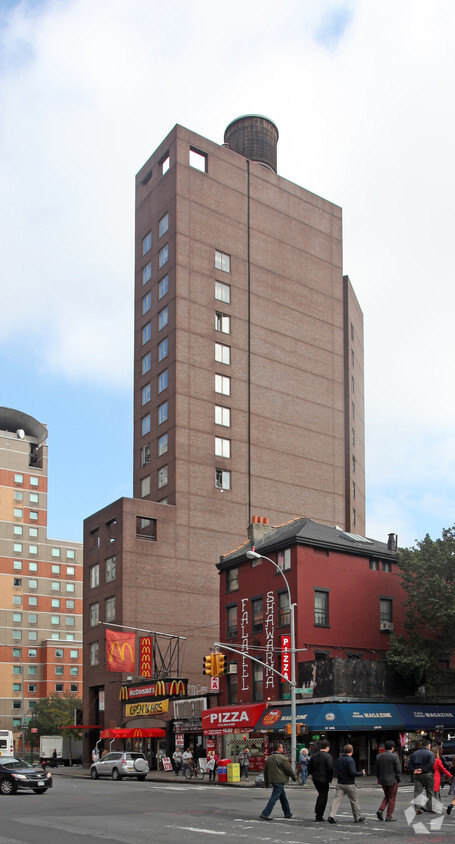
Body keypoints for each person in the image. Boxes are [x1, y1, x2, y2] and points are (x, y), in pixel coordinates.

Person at [328, 744, 365, 824]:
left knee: (336, 800)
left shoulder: (339, 759)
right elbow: (352, 772)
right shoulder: (350, 760)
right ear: (352, 751)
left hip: (340, 783)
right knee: (354, 801)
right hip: (349, 783)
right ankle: (357, 817)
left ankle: (331, 816)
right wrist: (361, 773)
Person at [260, 741, 296, 820]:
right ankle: (265, 813)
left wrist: (266, 782)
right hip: (279, 780)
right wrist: (294, 777)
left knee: (283, 797)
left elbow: (265, 771)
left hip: (273, 780)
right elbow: (288, 769)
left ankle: (287, 813)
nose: (283, 749)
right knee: (275, 797)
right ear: (279, 748)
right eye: (282, 747)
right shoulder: (282, 758)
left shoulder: (269, 758)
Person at [375, 739, 402, 821]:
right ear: (392, 748)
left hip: (383, 779)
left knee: (387, 796)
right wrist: (398, 778)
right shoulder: (395, 756)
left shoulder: (379, 756)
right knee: (392, 798)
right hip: (393, 780)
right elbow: (398, 770)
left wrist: (379, 778)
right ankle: (389, 815)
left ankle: (381, 809)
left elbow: (377, 770)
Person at [307, 740, 334, 821]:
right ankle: (319, 814)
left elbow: (309, 767)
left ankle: (318, 813)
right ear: (327, 748)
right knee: (323, 796)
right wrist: (330, 779)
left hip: (316, 778)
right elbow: (330, 768)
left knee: (321, 795)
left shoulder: (314, 756)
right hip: (324, 778)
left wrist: (312, 775)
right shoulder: (328, 756)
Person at [408, 739, 436, 814]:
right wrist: (423, 770)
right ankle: (430, 807)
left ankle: (417, 808)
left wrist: (414, 770)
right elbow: (431, 764)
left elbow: (410, 764)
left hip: (417, 774)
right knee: (430, 791)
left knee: (418, 791)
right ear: (428, 745)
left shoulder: (415, 753)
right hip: (427, 774)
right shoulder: (430, 753)